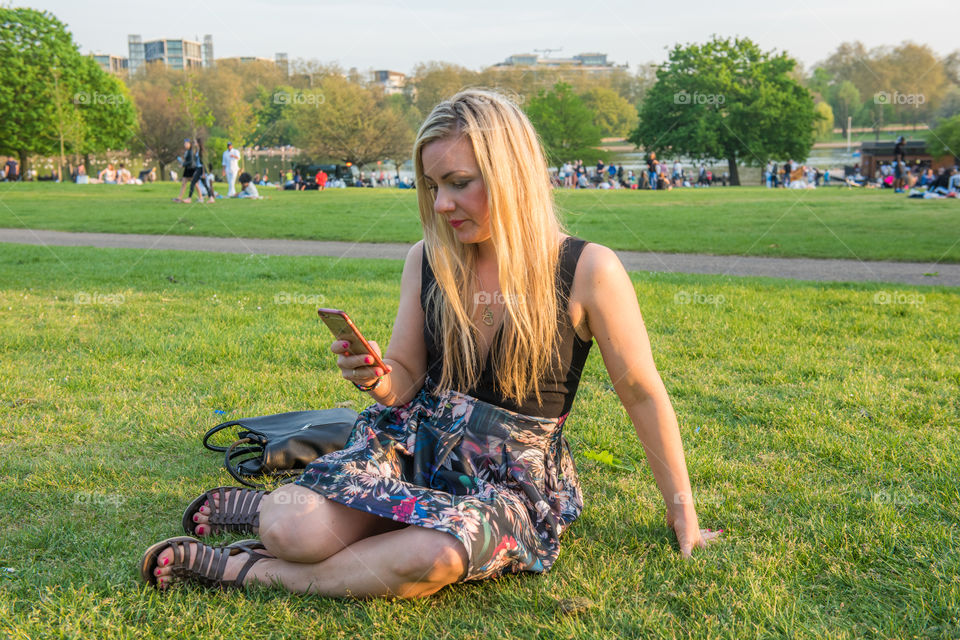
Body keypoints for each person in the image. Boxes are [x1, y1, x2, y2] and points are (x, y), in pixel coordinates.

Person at [140, 89, 719, 598]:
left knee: (437, 553)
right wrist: (375, 376)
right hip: (417, 444)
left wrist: (682, 511)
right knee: (290, 531)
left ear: (512, 176)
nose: (441, 205)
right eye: (433, 185)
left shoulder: (589, 269)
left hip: (508, 481)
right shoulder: (428, 260)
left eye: (460, 184)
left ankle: (250, 572)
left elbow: (642, 392)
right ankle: (270, 520)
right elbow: (404, 381)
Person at [184, 139, 214, 204]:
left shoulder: (201, 151)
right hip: (198, 169)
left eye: (195, 142)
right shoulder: (197, 150)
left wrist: (203, 173)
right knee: (205, 184)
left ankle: (189, 198)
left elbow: (203, 163)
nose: (194, 143)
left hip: (201, 169)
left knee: (193, 182)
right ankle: (211, 198)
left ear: (198, 143)